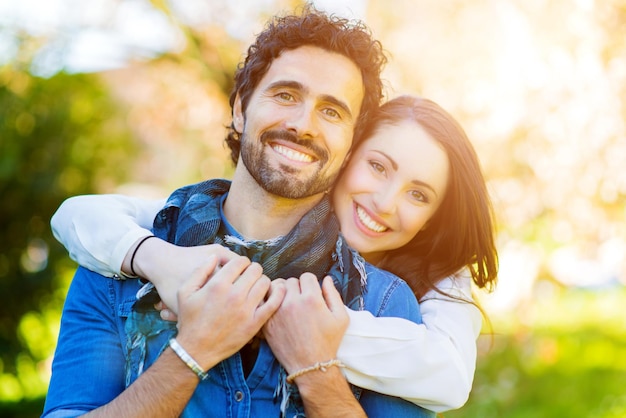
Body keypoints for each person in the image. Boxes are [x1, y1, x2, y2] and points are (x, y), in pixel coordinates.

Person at [43, 6, 437, 418]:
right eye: (286, 95)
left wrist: (316, 373)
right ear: (240, 109)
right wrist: (192, 352)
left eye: (331, 111)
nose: (304, 125)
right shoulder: (116, 269)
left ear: (351, 145)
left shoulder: (383, 302)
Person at [50, 95, 498, 414]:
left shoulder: (416, 293)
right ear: (344, 155)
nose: (384, 202)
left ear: (432, 218)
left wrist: (294, 334)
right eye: (377, 166)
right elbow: (84, 214)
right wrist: (159, 262)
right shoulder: (189, 228)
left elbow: (449, 379)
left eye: (418, 195)